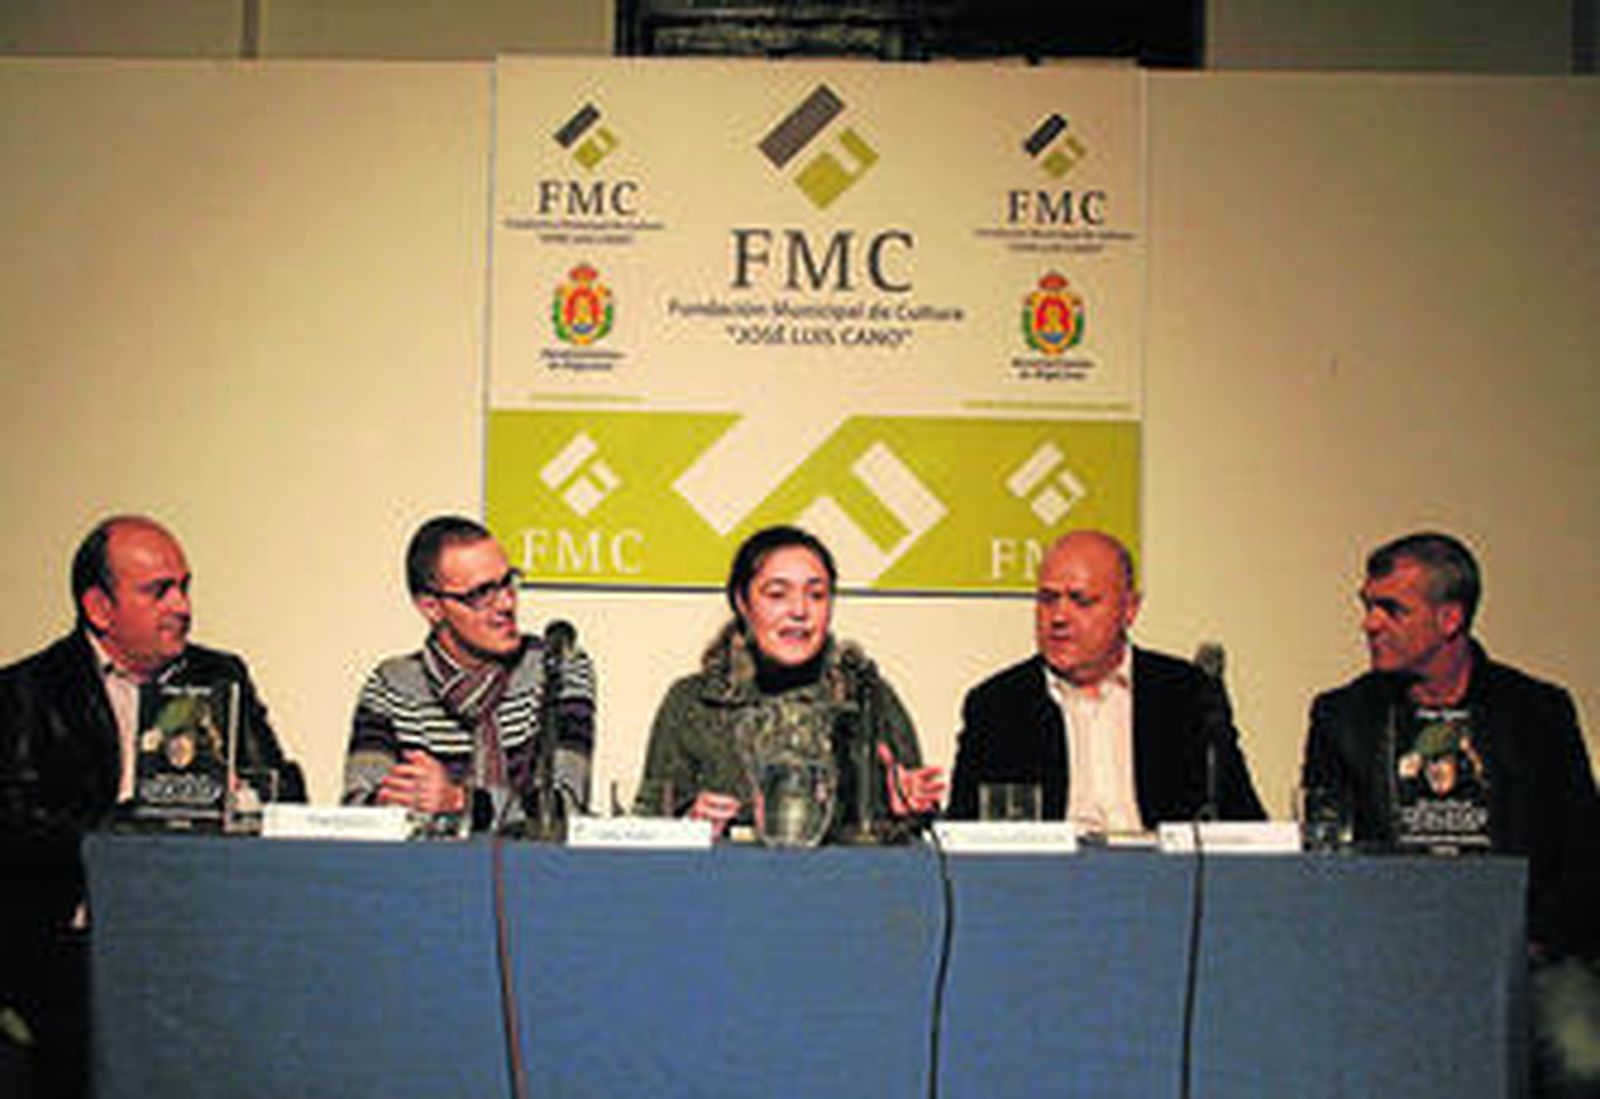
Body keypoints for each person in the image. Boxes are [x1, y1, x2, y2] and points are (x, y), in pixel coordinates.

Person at [0, 515, 305, 1099]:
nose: (182, 606)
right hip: (78, 944)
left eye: (184, 586)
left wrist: (239, 792)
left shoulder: (220, 676)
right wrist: (127, 831)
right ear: (99, 607)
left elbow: (285, 791)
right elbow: (17, 828)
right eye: (158, 590)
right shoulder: (30, 691)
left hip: (198, 931)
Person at [1301, 532, 1599, 1095]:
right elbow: (1327, 855)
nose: (1370, 623)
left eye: (1391, 609)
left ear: (1449, 618)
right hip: (1394, 950)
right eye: (1367, 606)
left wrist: (1529, 942)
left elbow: (1585, 851)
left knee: (1582, 1056)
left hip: (1526, 949)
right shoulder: (1341, 716)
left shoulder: (1537, 711)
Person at [634, 525, 942, 841]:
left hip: (844, 884)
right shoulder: (694, 701)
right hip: (725, 883)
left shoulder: (865, 696)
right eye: (777, 595)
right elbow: (648, 827)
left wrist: (906, 813)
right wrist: (690, 825)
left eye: (816, 595)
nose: (799, 611)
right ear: (742, 602)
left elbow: (920, 841)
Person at [949, 529, 1264, 828]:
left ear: (1129, 608)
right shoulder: (998, 704)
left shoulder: (1186, 694)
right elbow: (962, 837)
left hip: (1164, 878)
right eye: (1048, 599)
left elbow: (1243, 822)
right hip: (1048, 880)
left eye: (1081, 601)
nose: (1058, 617)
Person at [343, 516, 595, 833]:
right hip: (423, 875)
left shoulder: (556, 666)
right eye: (481, 594)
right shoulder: (393, 685)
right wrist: (393, 804)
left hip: (536, 875)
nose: (506, 603)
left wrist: (461, 802)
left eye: (508, 582)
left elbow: (562, 808)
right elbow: (357, 813)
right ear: (432, 607)